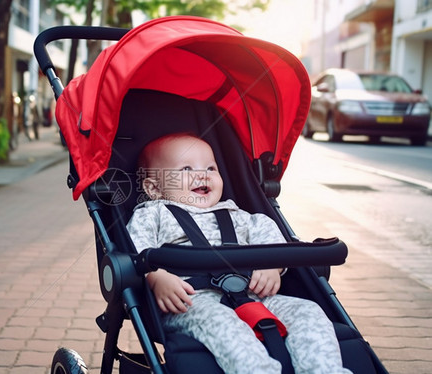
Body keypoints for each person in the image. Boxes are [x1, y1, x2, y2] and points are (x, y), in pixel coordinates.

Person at [126, 133, 351, 374]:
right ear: (153, 187)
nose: (203, 174)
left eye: (211, 168)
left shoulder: (239, 215)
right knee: (224, 326)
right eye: (186, 168)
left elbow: (272, 241)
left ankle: (323, 370)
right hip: (191, 301)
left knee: (309, 312)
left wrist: (272, 266)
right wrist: (155, 276)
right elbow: (137, 249)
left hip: (254, 294)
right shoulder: (152, 214)